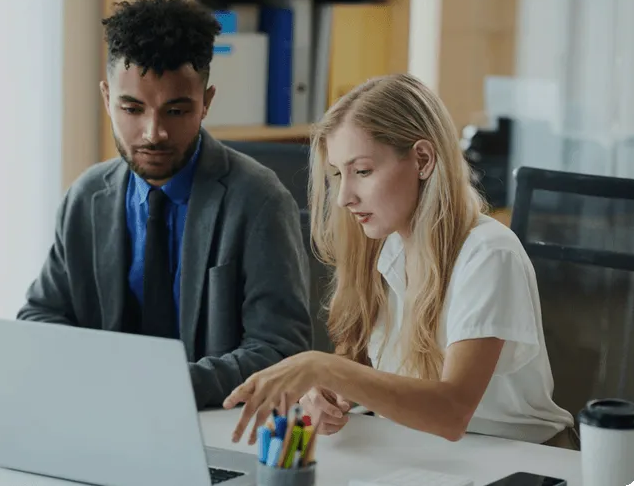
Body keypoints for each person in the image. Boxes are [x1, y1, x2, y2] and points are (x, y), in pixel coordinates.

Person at [223, 73, 577, 449]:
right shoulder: (385, 246)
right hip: (428, 454)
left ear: (422, 160)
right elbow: (362, 370)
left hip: (521, 462)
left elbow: (451, 412)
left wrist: (324, 367)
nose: (344, 197)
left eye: (362, 171)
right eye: (338, 175)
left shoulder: (488, 254)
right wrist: (327, 394)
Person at [17, 0, 313, 410]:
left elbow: (281, 352)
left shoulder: (259, 200)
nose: (153, 132)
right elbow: (40, 318)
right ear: (107, 99)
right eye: (132, 108)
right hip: (103, 419)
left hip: (210, 425)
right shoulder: (86, 197)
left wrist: (159, 388)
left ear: (206, 103)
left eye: (175, 111)